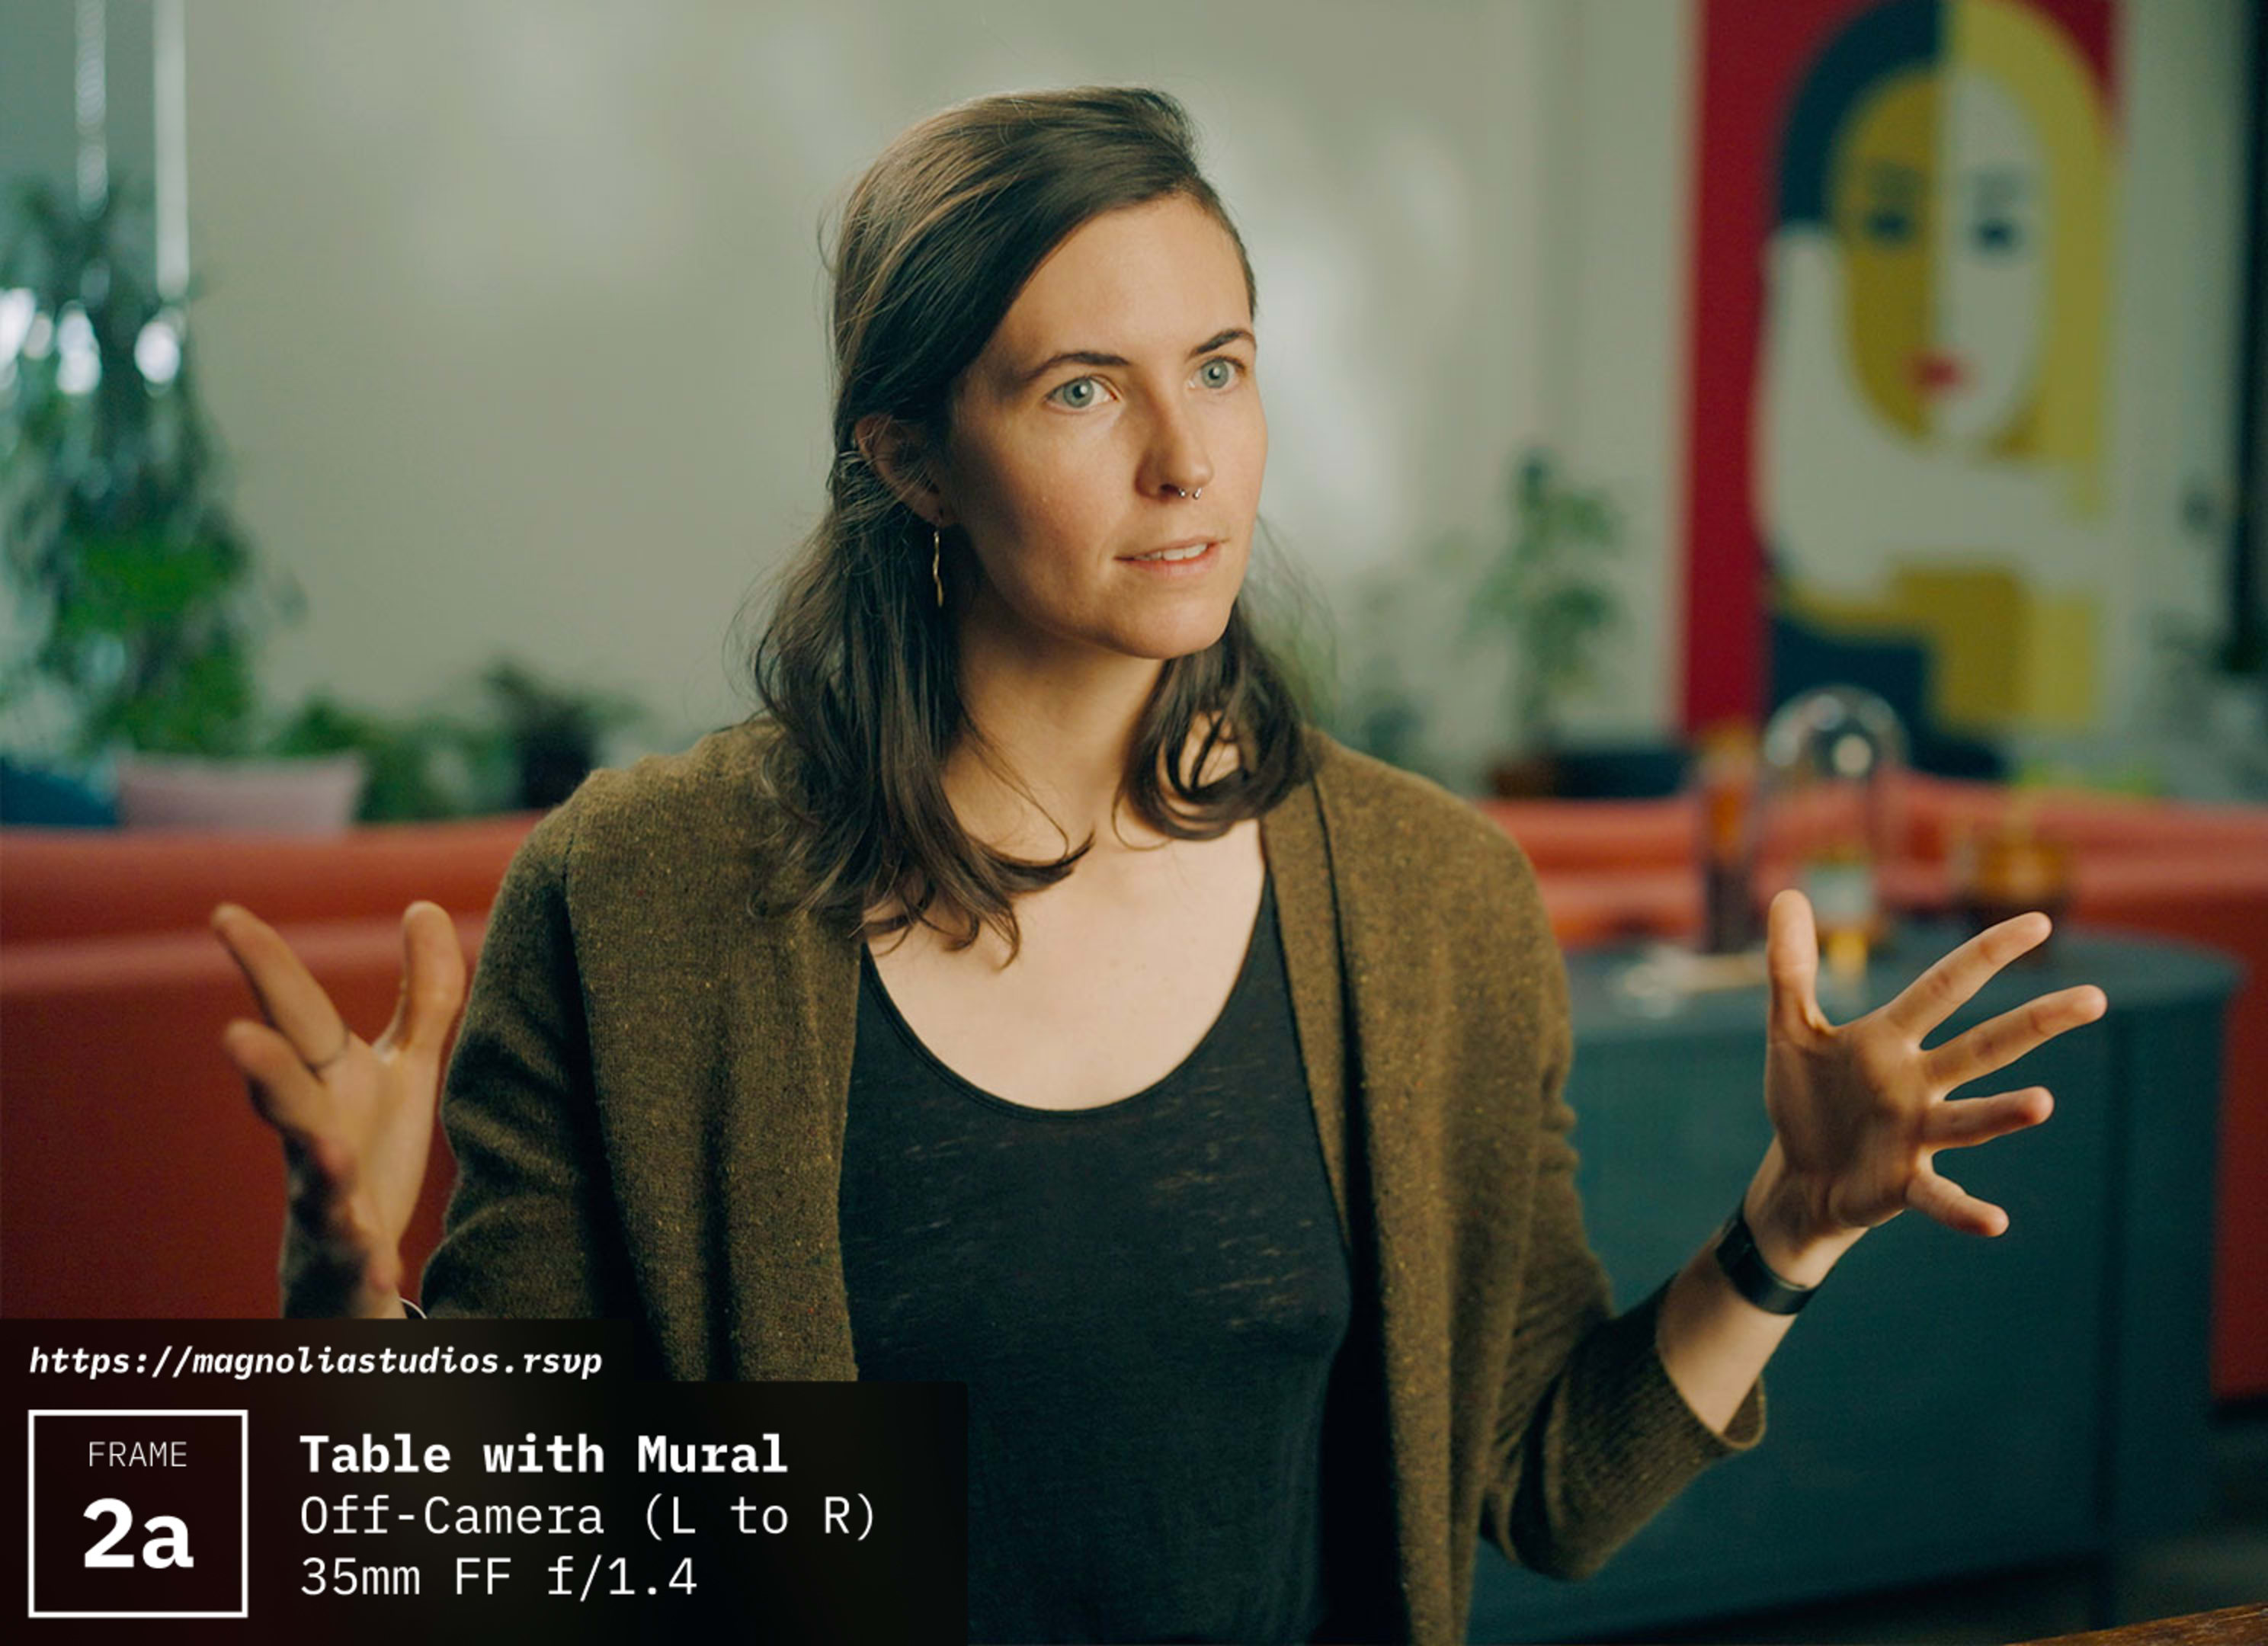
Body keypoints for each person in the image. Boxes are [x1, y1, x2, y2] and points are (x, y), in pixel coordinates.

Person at [204, 85, 2106, 1646]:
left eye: (1220, 365)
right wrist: (344, 1297)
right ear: (910, 457)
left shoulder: (1436, 903)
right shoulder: (642, 900)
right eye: (1083, 389)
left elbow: (1548, 1483)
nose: (1188, 460)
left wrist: (1795, 1224)